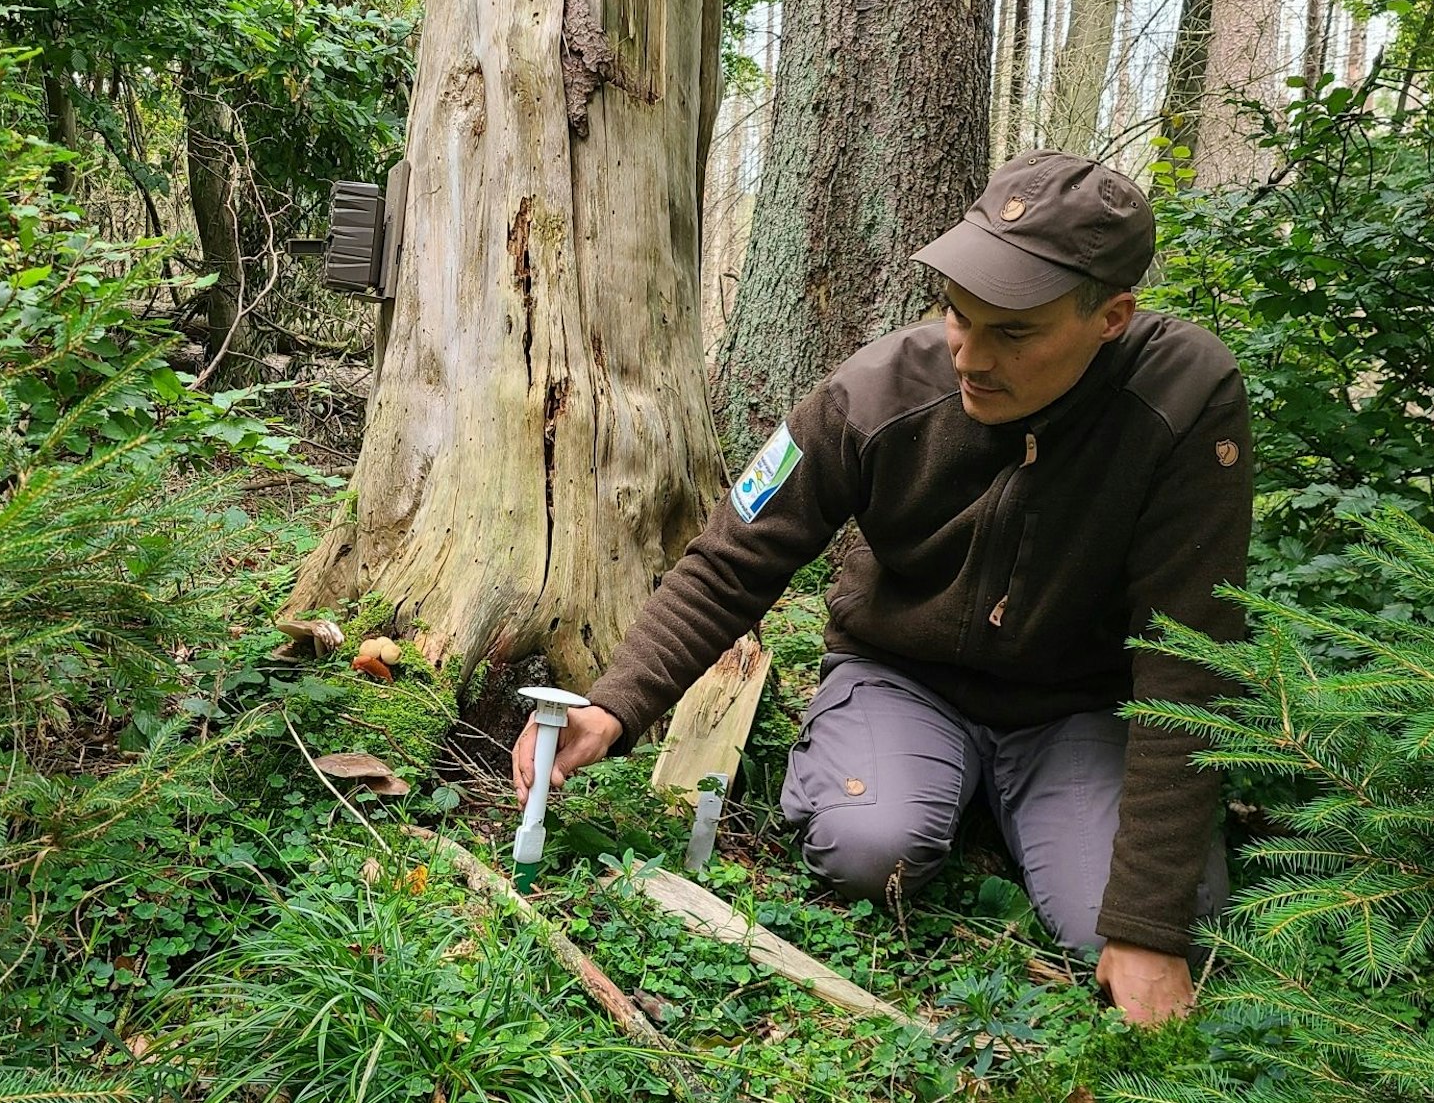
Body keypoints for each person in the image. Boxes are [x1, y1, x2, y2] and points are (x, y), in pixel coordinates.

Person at [511, 151, 1250, 1025]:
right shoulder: (876, 391)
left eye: (1014, 332)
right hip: (905, 678)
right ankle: (936, 780)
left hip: (1078, 707)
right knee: (869, 848)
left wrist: (1148, 921)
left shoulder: (1184, 400)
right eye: (958, 313)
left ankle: (1024, 804)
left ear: (1111, 319)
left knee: (1118, 926)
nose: (971, 355)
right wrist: (614, 705)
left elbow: (1187, 659)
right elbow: (733, 557)